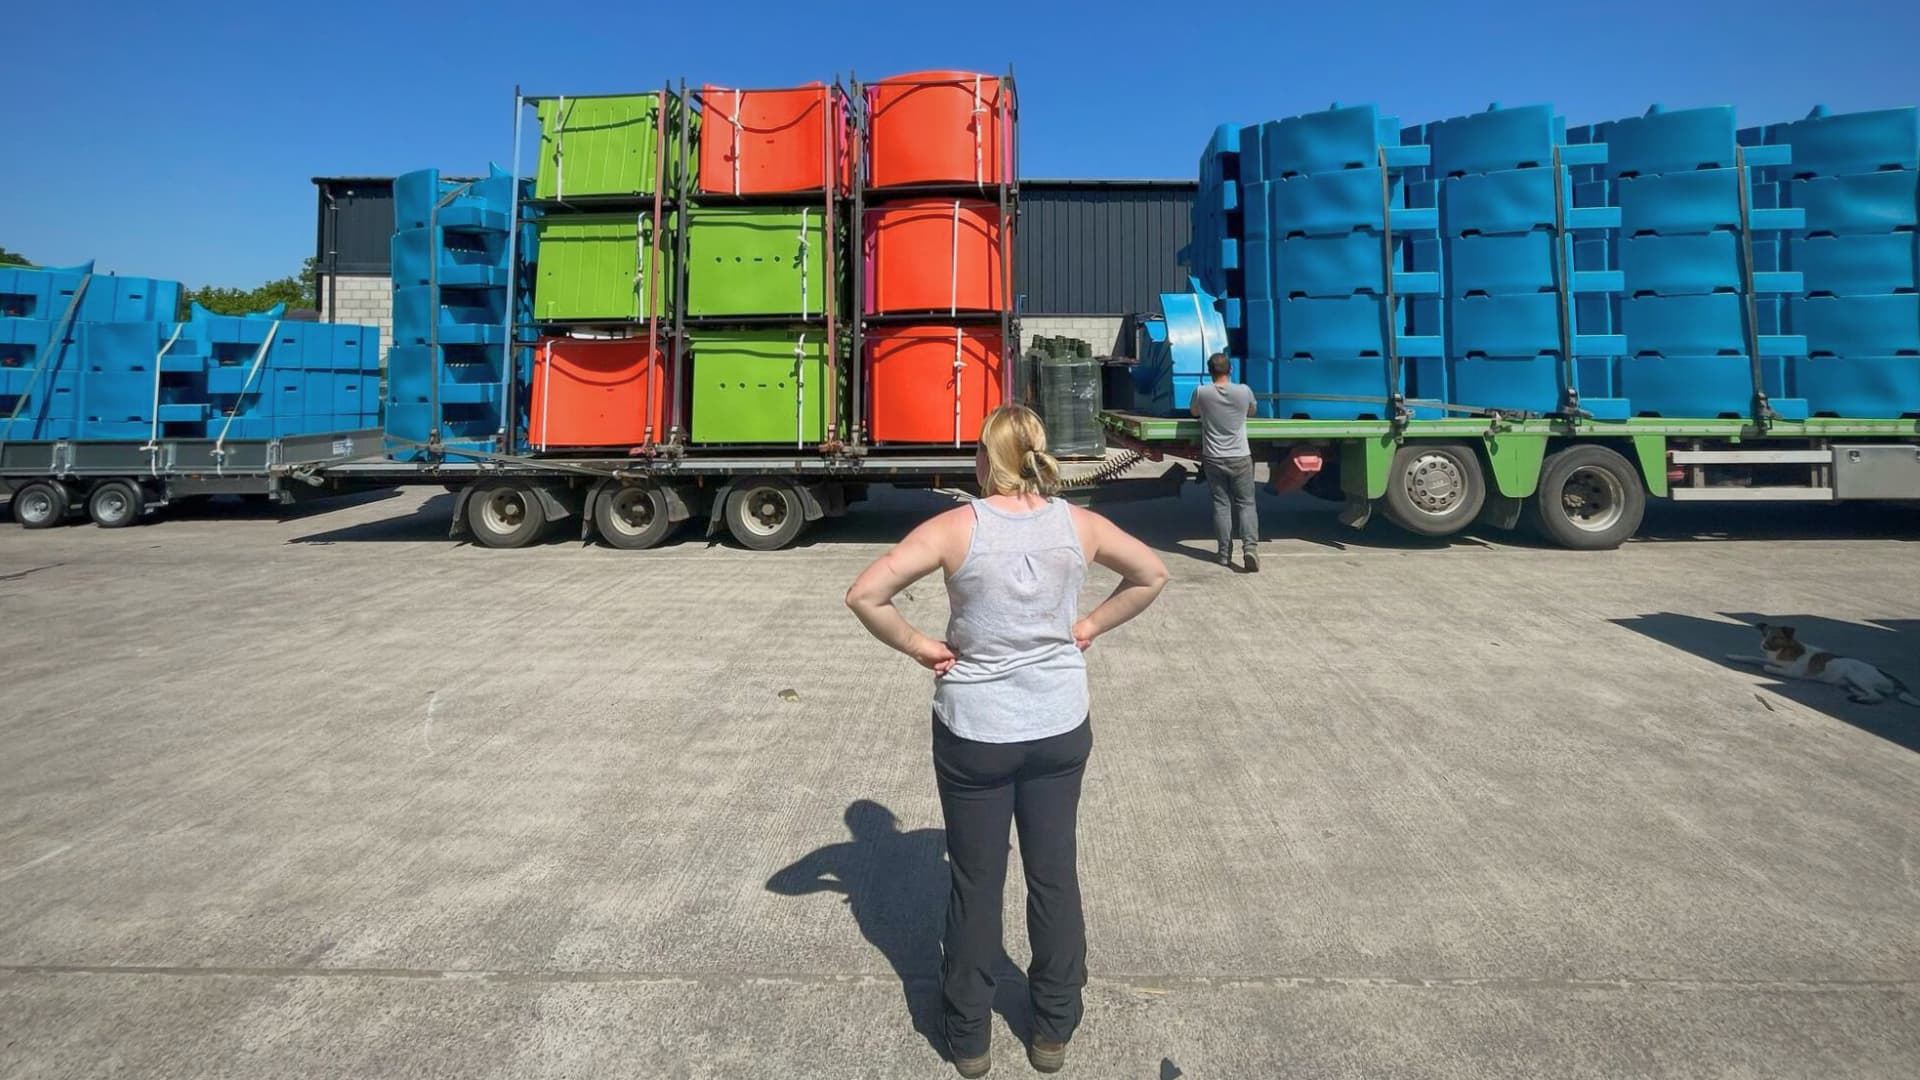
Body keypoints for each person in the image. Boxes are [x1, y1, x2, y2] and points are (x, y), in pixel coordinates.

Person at [845, 404, 1170, 1078]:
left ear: (982, 461)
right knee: (1054, 875)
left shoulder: (951, 528)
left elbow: (866, 594)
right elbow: (1151, 574)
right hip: (1057, 727)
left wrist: (920, 647)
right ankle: (1052, 1029)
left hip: (976, 732)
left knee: (975, 883)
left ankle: (968, 1039)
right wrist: (1088, 628)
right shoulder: (1080, 525)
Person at [1188, 351, 1260, 571]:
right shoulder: (1244, 391)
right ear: (1231, 370)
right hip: (1240, 455)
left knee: (1222, 505)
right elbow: (1252, 411)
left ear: (1210, 372)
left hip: (1214, 458)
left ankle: (1223, 555)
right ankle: (1250, 549)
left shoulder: (1201, 392)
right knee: (1246, 503)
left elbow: (1194, 413)